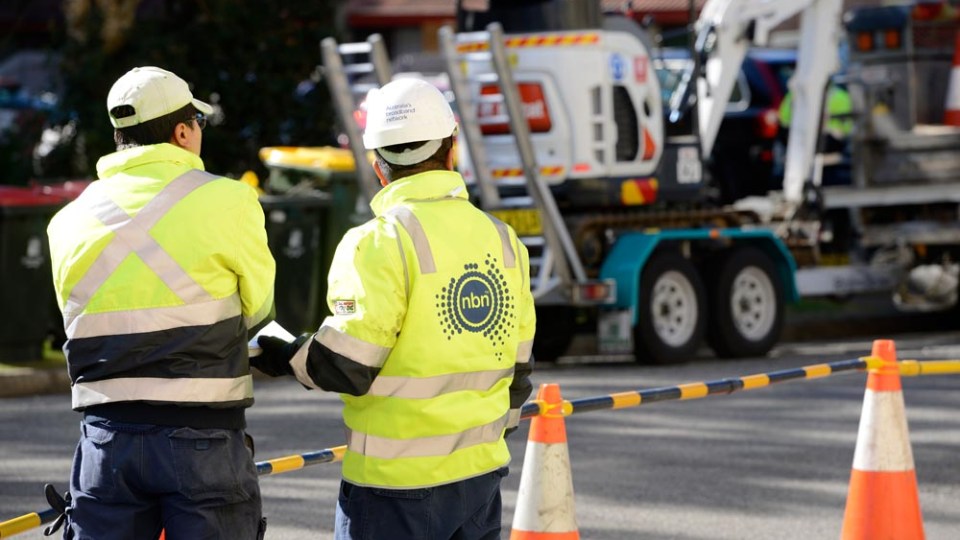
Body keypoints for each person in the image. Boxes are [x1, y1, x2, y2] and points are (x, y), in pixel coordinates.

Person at [252, 77, 536, 540]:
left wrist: (283, 352)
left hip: (393, 489)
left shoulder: (376, 243)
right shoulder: (503, 241)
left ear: (378, 166)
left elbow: (345, 366)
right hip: (481, 481)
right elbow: (519, 372)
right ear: (452, 149)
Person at [46, 66, 275, 540]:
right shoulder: (230, 201)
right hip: (203, 438)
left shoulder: (66, 221)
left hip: (106, 440)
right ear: (182, 131)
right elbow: (258, 312)